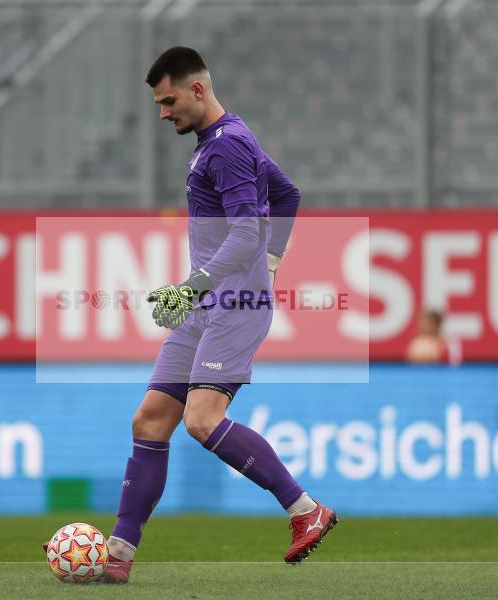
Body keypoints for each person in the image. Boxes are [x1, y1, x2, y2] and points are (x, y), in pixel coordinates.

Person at [101, 47, 337, 584]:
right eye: (159, 104)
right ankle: (117, 556)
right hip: (207, 305)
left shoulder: (226, 146)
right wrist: (271, 264)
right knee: (150, 420)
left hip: (232, 307)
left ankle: (306, 510)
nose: (164, 113)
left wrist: (201, 285)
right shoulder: (226, 138)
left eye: (169, 101)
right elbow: (287, 194)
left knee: (201, 420)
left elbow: (247, 232)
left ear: (197, 89)